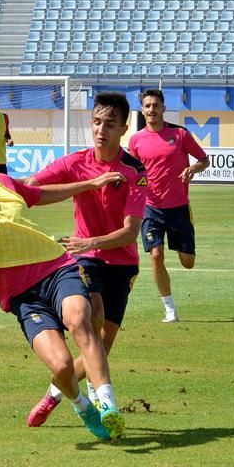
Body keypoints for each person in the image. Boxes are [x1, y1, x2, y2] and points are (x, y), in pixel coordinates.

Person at [0, 137, 130, 441]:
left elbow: (41, 194)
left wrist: (90, 184)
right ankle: (82, 406)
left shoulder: (1, 182)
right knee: (62, 364)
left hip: (56, 268)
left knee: (79, 321)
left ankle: (108, 404)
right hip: (23, 297)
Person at [24, 91, 148, 430]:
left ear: (123, 128)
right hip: (86, 258)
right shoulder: (74, 162)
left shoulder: (135, 171)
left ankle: (53, 395)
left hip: (122, 263)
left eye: (109, 124)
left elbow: (129, 233)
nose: (100, 130)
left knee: (101, 347)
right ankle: (103, 402)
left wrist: (90, 240)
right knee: (91, 317)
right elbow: (32, 186)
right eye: (95, 122)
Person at [128, 89, 210, 323]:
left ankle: (184, 246)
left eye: (156, 105)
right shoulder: (136, 140)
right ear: (142, 110)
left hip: (179, 207)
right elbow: (133, 172)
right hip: (150, 207)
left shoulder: (180, 134)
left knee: (188, 263)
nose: (151, 110)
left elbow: (204, 160)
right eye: (147, 106)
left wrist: (192, 169)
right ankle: (169, 309)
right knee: (156, 255)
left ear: (163, 108)